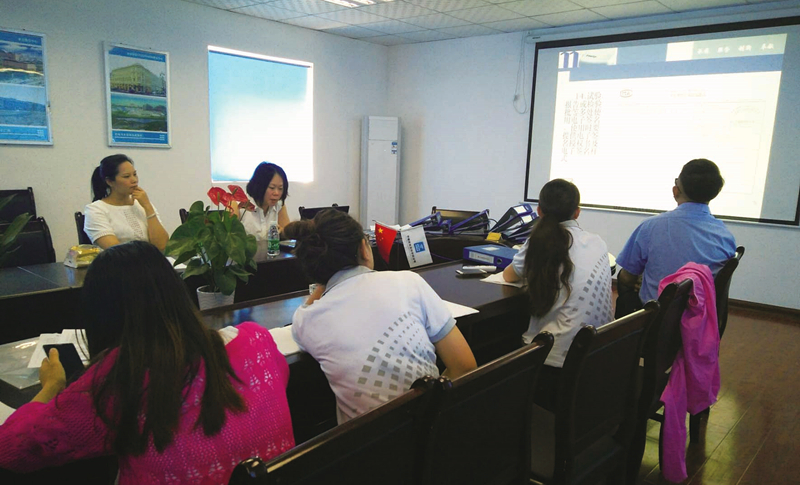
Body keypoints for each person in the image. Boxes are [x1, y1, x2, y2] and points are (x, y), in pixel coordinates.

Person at [0, 241, 295, 485]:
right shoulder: (256, 340)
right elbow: (279, 378)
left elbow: (12, 448)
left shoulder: (118, 379)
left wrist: (51, 387)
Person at [288, 209, 477, 424]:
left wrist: (324, 280)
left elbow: (305, 310)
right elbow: (464, 366)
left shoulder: (307, 320)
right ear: (364, 248)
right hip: (431, 430)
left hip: (365, 441)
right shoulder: (409, 282)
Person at [502, 179, 614, 369]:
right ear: (577, 212)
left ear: (539, 210)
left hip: (553, 357)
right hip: (598, 352)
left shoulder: (538, 242)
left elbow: (509, 276)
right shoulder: (598, 242)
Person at [615, 158, 736, 317]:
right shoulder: (725, 236)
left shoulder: (651, 227)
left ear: (675, 191)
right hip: (700, 319)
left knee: (624, 278)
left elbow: (627, 278)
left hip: (656, 319)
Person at [84, 154, 169, 251]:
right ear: (110, 182)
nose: (134, 180)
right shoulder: (96, 210)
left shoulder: (142, 204)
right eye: (126, 176)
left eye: (135, 174)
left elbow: (162, 246)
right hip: (119, 260)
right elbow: (116, 251)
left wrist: (148, 207)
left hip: (151, 259)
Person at [240, 162, 291, 240]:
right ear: (259, 186)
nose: (276, 193)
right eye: (272, 188)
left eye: (280, 188)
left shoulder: (279, 205)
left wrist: (282, 232)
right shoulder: (239, 205)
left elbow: (289, 236)